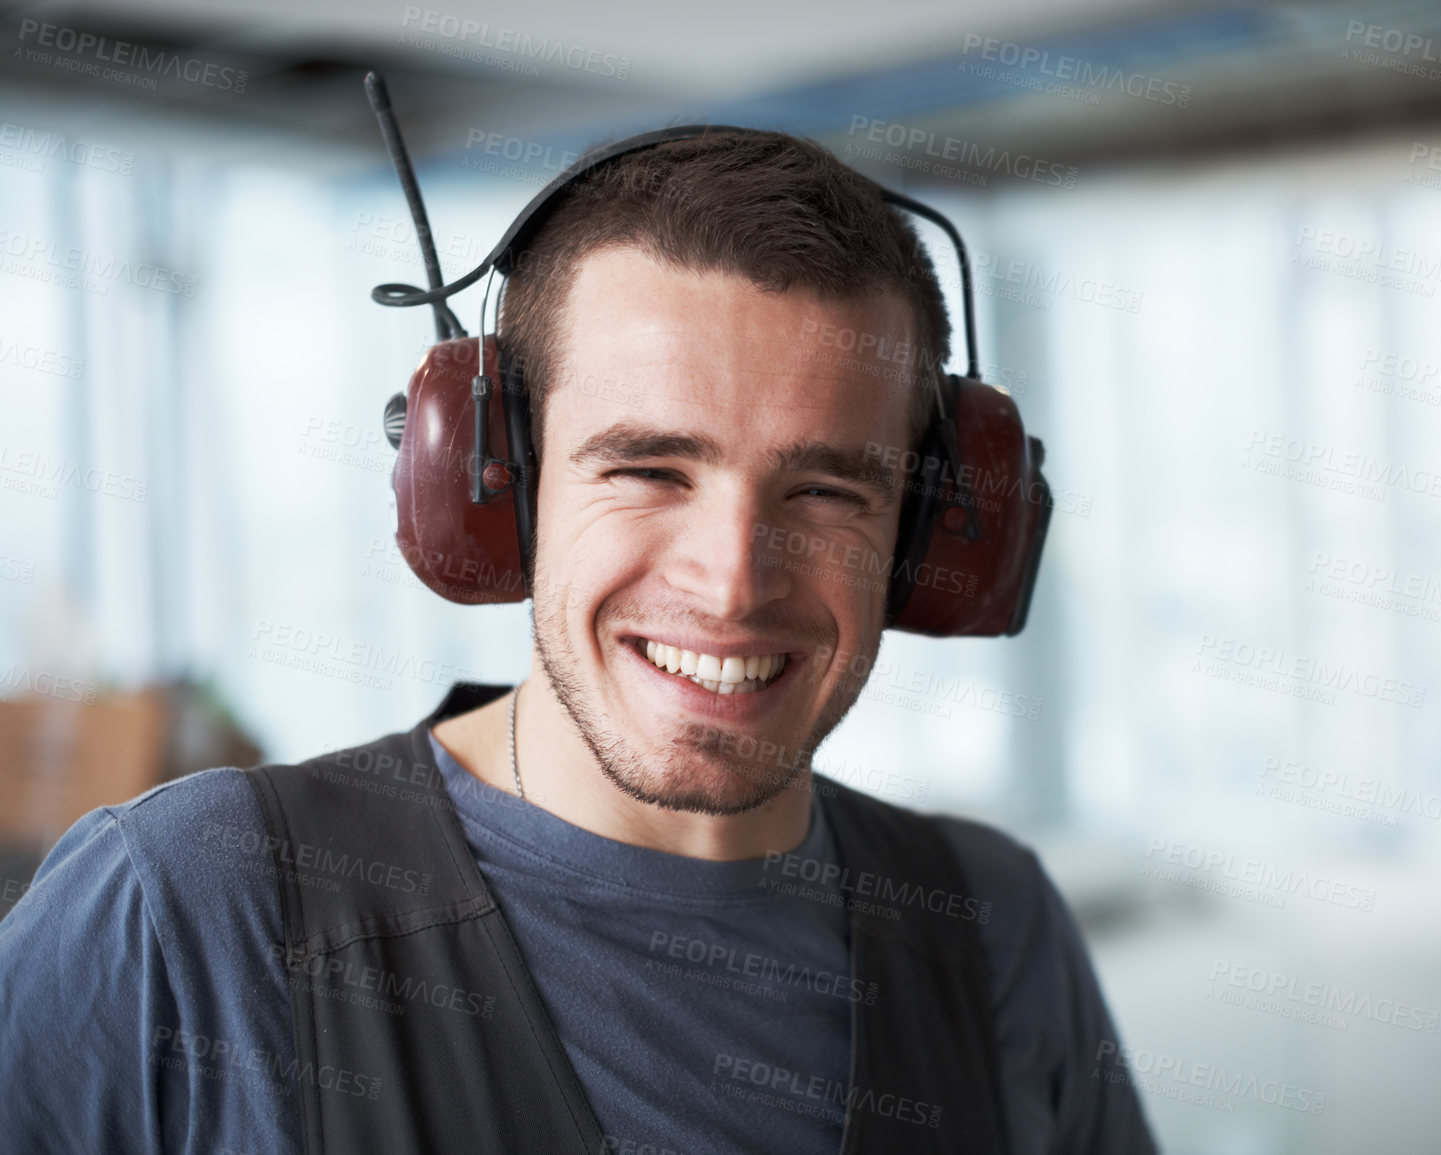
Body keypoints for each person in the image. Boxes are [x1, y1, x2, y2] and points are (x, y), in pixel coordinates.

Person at [0, 128, 1158, 1154]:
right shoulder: (189, 910)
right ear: (494, 487)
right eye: (649, 469)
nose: (733, 579)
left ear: (929, 534)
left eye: (827, 493)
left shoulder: (992, 923)